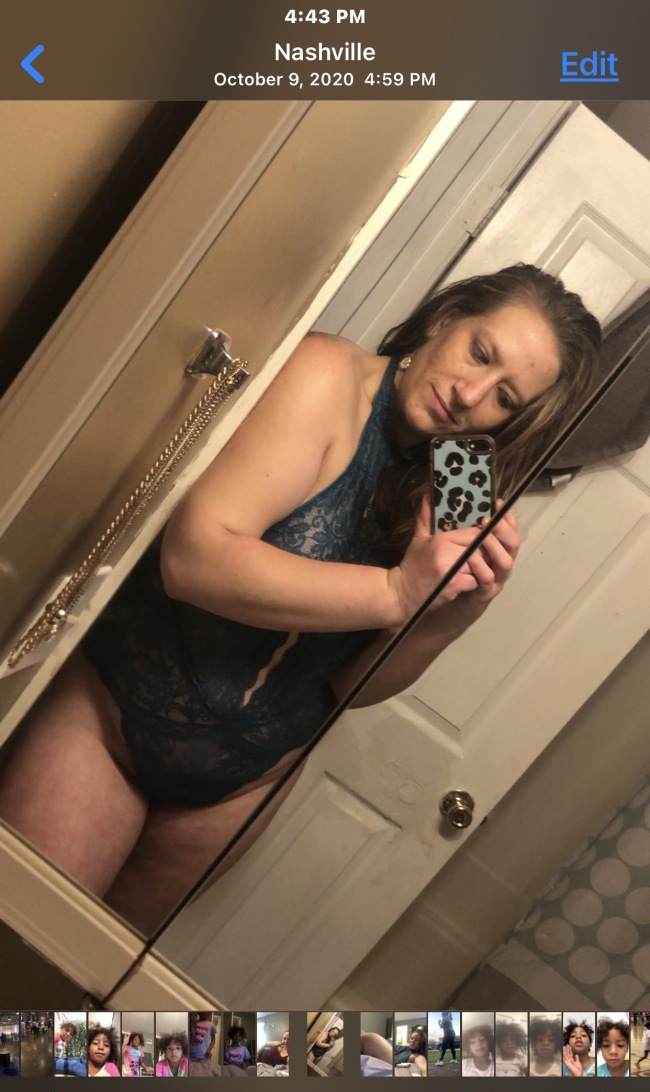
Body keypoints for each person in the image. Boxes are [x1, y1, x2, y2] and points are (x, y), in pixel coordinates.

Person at [0, 265, 601, 933]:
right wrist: (396, 590)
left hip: (241, 789)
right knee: (20, 948)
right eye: (480, 353)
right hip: (112, 720)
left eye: (505, 398)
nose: (470, 394)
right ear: (444, 318)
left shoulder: (444, 490)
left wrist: (449, 616)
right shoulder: (323, 375)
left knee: (81, 988)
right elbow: (192, 559)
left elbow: (347, 689)